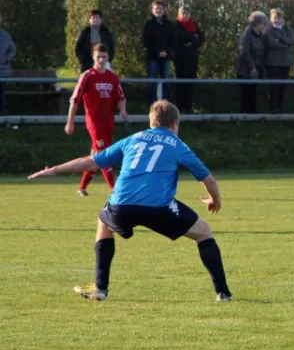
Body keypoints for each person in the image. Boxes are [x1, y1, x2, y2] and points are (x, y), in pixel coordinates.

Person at [28, 100, 232, 303]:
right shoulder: (178, 145)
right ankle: (223, 293)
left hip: (121, 206)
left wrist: (53, 170)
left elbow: (90, 162)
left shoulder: (132, 139)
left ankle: (101, 288)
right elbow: (207, 178)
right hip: (159, 207)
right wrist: (215, 200)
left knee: (103, 222)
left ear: (151, 121)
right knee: (204, 233)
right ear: (175, 124)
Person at [65, 44, 128, 197]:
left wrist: (122, 110)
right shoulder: (87, 76)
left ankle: (82, 188)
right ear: (93, 57)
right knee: (105, 154)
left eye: (104, 57)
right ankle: (115, 189)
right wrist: (70, 121)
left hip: (108, 122)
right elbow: (75, 100)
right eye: (98, 57)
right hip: (94, 123)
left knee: (95, 156)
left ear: (108, 58)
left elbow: (120, 96)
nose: (101, 60)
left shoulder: (112, 77)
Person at [173, 5, 205, 114]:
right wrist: (192, 39)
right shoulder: (176, 25)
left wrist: (192, 41)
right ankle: (180, 107)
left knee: (191, 83)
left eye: (187, 13)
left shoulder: (194, 25)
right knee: (181, 83)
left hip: (193, 58)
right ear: (179, 14)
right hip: (181, 59)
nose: (185, 16)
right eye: (183, 14)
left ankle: (189, 107)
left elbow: (201, 39)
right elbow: (177, 40)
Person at [235, 11, 269, 114]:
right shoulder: (247, 35)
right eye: (263, 24)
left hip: (256, 68)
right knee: (246, 93)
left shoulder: (261, 36)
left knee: (253, 92)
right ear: (257, 23)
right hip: (245, 69)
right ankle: (245, 114)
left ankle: (252, 114)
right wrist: (252, 67)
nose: (265, 26)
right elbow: (245, 52)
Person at [142, 0, 175, 107]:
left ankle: (165, 106)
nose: (158, 10)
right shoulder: (148, 24)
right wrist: (157, 51)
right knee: (151, 81)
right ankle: (152, 105)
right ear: (152, 10)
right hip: (152, 57)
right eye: (156, 9)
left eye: (160, 8)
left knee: (165, 80)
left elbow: (172, 40)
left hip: (165, 57)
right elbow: (145, 41)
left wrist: (166, 52)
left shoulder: (169, 24)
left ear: (164, 10)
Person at [265, 8, 294, 114]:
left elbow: (293, 40)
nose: (277, 20)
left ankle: (280, 108)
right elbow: (272, 44)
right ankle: (273, 109)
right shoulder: (268, 29)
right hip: (273, 63)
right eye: (275, 18)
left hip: (286, 62)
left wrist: (281, 39)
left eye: (279, 18)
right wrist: (286, 44)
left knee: (284, 86)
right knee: (274, 86)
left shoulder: (287, 28)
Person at [0, 12, 17, 115]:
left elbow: (13, 50)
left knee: (1, 95)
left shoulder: (5, 35)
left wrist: (7, 59)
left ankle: (3, 117)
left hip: (3, 71)